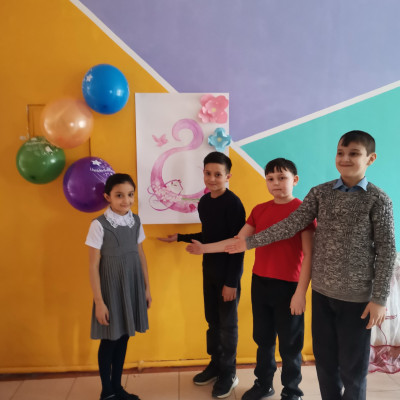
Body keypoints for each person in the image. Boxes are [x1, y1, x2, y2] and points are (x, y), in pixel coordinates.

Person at [223, 131, 397, 400]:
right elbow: (290, 225)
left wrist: (379, 298)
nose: (345, 158)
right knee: (325, 365)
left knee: (352, 369)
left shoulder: (378, 199)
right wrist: (249, 242)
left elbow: (387, 250)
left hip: (357, 299)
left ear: (370, 158)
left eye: (353, 153)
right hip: (322, 294)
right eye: (340, 153)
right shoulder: (321, 193)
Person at [187, 158, 316, 400]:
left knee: (290, 345)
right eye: (270, 179)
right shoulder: (259, 210)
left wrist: (301, 292)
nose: (276, 183)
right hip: (260, 283)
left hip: (290, 287)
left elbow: (309, 255)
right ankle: (263, 384)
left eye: (282, 178)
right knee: (263, 340)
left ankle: (292, 391)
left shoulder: (303, 211)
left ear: (295, 180)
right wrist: (204, 248)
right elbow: (238, 242)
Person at [158, 151, 246, 399]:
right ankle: (215, 365)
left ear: (228, 176)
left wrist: (232, 283)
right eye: (208, 173)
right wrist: (181, 237)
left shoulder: (234, 204)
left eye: (218, 174)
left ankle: (229, 373)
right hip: (209, 272)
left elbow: (237, 244)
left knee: (228, 326)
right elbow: (209, 236)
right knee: (213, 323)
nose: (212, 178)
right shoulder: (205, 202)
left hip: (228, 276)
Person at [86, 173, 152, 400]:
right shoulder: (99, 225)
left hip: (132, 285)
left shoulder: (136, 221)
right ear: (108, 197)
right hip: (111, 289)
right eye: (119, 195)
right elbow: (93, 265)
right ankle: (107, 392)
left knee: (123, 337)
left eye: (130, 195)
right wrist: (99, 301)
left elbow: (140, 254)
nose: (126, 200)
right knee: (110, 339)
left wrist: (146, 288)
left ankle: (117, 387)